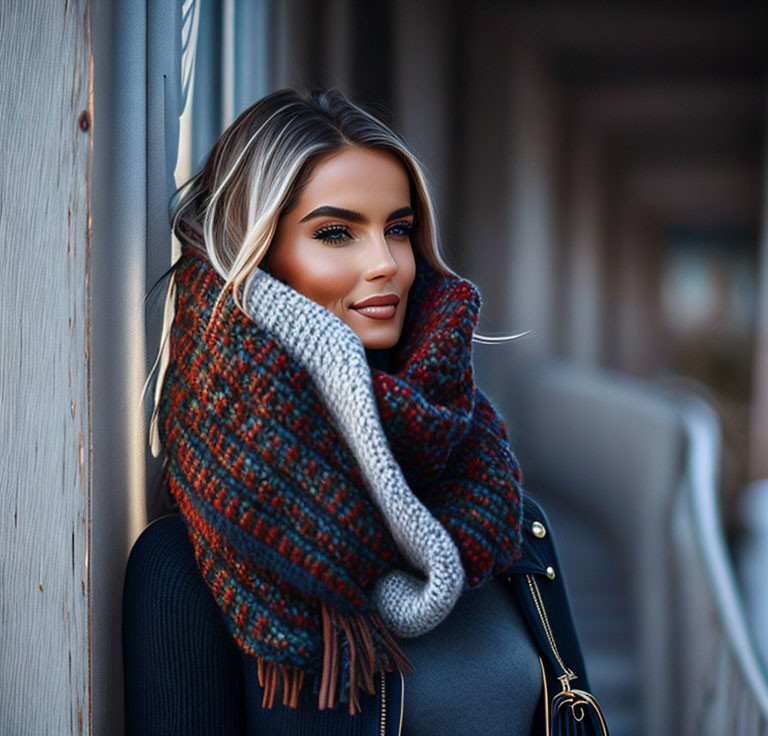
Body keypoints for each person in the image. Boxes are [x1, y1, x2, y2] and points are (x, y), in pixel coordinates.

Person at [123, 87, 608, 736]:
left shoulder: (508, 526)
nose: (385, 264)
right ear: (258, 257)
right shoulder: (188, 573)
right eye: (335, 232)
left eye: (399, 230)